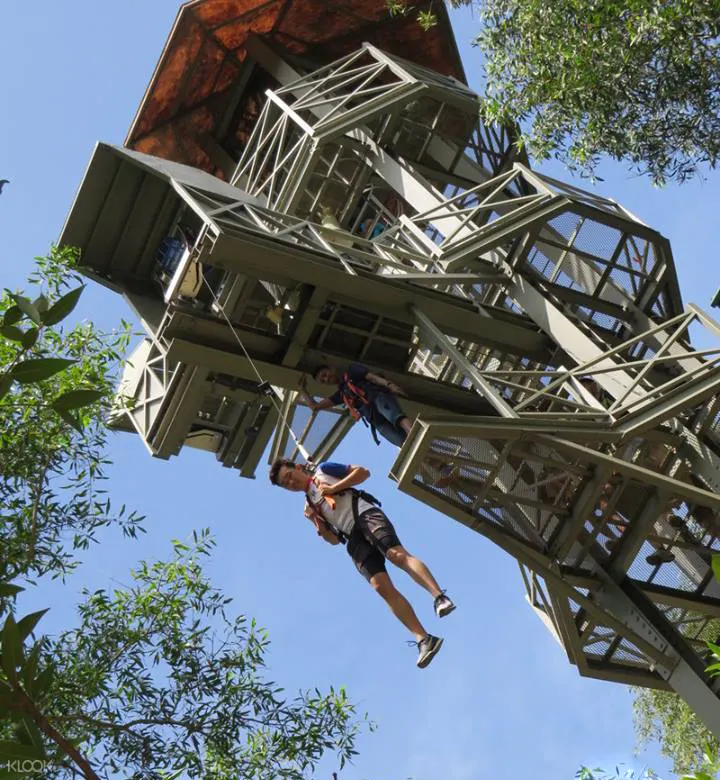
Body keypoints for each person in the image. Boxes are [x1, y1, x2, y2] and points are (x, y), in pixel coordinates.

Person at [269, 457, 456, 668]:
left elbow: (363, 472)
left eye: (289, 476)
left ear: (298, 467)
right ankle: (423, 638)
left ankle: (439, 597)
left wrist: (334, 488)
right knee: (380, 586)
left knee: (396, 555)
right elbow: (333, 540)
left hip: (364, 514)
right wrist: (316, 522)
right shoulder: (309, 505)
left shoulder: (323, 471)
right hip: (352, 536)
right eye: (285, 484)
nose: (291, 483)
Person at [299, 363, 412, 447]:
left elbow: (372, 377)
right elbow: (314, 407)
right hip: (373, 417)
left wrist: (389, 384)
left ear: (332, 369)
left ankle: (411, 433)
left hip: (378, 399)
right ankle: (425, 458)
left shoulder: (352, 371)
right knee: (398, 440)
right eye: (323, 380)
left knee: (396, 417)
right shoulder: (340, 395)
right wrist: (303, 390)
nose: (326, 378)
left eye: (325, 374)